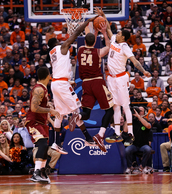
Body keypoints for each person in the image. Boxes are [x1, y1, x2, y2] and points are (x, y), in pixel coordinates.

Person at [95, 8, 151, 146]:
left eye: (119, 33)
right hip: (111, 78)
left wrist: (143, 71)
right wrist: (103, 15)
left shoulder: (125, 46)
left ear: (123, 38)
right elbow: (108, 28)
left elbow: (134, 61)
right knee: (115, 106)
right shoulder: (114, 39)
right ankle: (117, 133)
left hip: (121, 78)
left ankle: (130, 133)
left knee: (125, 106)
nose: (117, 33)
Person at [48, 16, 97, 155]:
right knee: (77, 110)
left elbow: (58, 71)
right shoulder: (61, 48)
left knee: (59, 115)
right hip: (61, 84)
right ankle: (87, 137)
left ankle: (56, 143)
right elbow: (74, 35)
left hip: (56, 83)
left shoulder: (51, 53)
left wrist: (67, 81)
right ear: (56, 44)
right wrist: (86, 23)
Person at [69, 22, 114, 152]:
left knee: (86, 114)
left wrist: (93, 31)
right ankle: (100, 135)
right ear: (94, 41)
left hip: (86, 84)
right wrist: (104, 32)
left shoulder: (81, 49)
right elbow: (109, 46)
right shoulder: (98, 52)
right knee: (109, 110)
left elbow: (90, 41)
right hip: (97, 82)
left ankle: (78, 117)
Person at [25, 67, 60, 183]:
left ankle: (42, 172)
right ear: (48, 75)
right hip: (34, 121)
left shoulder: (43, 89)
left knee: (44, 147)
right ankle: (36, 173)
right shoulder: (39, 89)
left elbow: (43, 108)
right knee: (42, 144)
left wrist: (51, 121)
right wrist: (50, 110)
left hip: (42, 122)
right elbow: (34, 108)